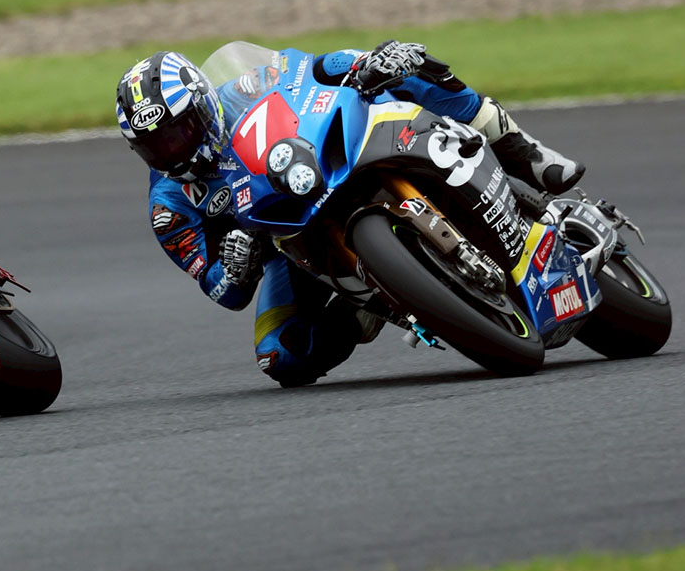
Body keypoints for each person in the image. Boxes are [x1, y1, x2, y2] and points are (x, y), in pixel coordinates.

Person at [114, 41, 585, 387]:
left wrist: (364, 62)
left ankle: (525, 153)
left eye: (180, 132)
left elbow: (312, 67)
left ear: (202, 104)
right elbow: (219, 289)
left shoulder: (240, 88)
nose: (173, 150)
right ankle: (368, 306)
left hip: (327, 153)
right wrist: (234, 269)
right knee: (280, 357)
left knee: (405, 69)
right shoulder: (168, 209)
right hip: (281, 239)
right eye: (156, 145)